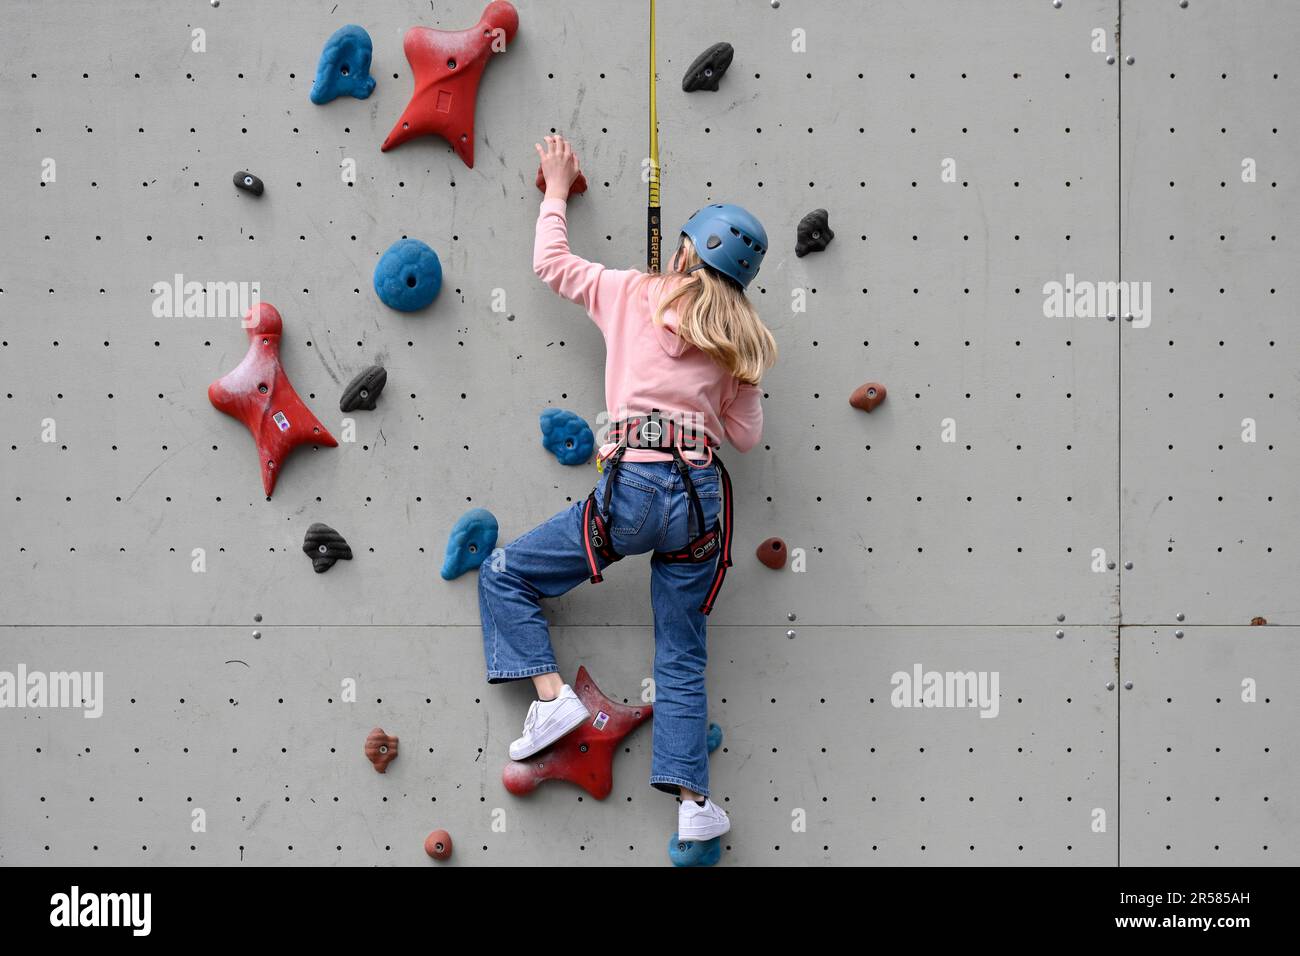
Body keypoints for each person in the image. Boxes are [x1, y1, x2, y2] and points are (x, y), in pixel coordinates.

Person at [478, 134, 777, 842]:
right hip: (701, 500)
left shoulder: (631, 292)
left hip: (636, 485)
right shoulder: (740, 343)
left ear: (683, 252)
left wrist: (555, 187)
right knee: (680, 650)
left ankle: (550, 699)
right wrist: (737, 375)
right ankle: (694, 806)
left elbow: (552, 264)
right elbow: (745, 436)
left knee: (504, 574)